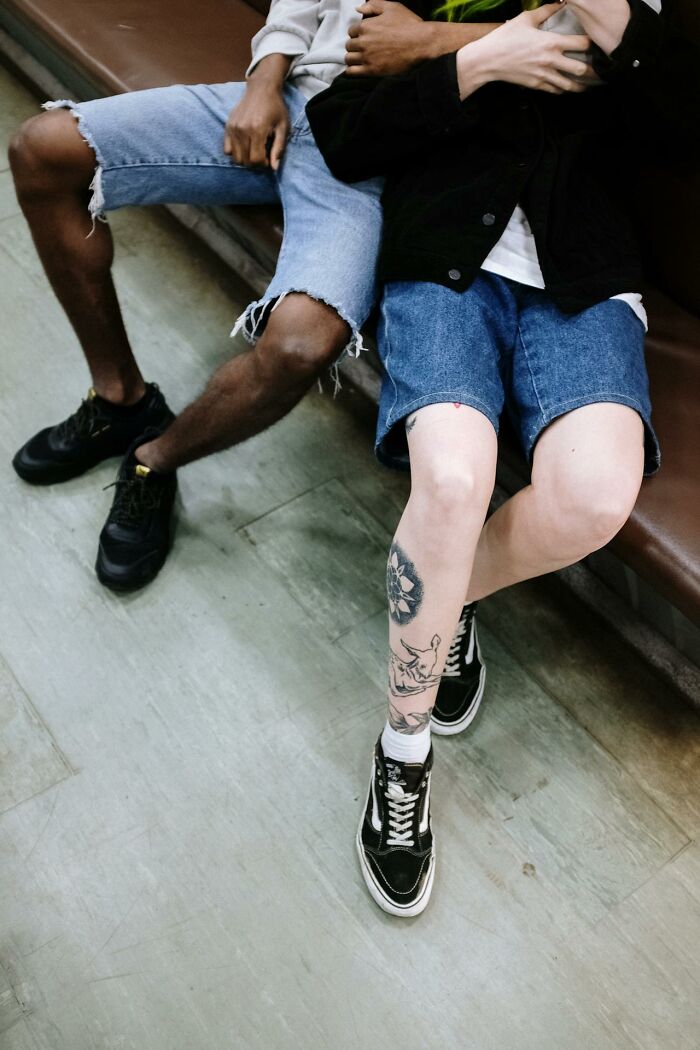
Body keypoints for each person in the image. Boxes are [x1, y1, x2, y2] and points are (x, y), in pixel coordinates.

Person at [308, 0, 699, 916]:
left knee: (594, 494)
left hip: (585, 281)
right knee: (450, 479)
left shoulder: (633, 20)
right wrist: (476, 61)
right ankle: (402, 757)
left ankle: (444, 596)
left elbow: (687, 129)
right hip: (443, 260)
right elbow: (341, 132)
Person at [7, 0, 495, 591]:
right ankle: (119, 400)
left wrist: (430, 40)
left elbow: (596, 43)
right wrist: (265, 78)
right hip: (302, 99)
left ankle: (152, 460)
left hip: (384, 160)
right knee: (42, 148)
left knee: (299, 344)